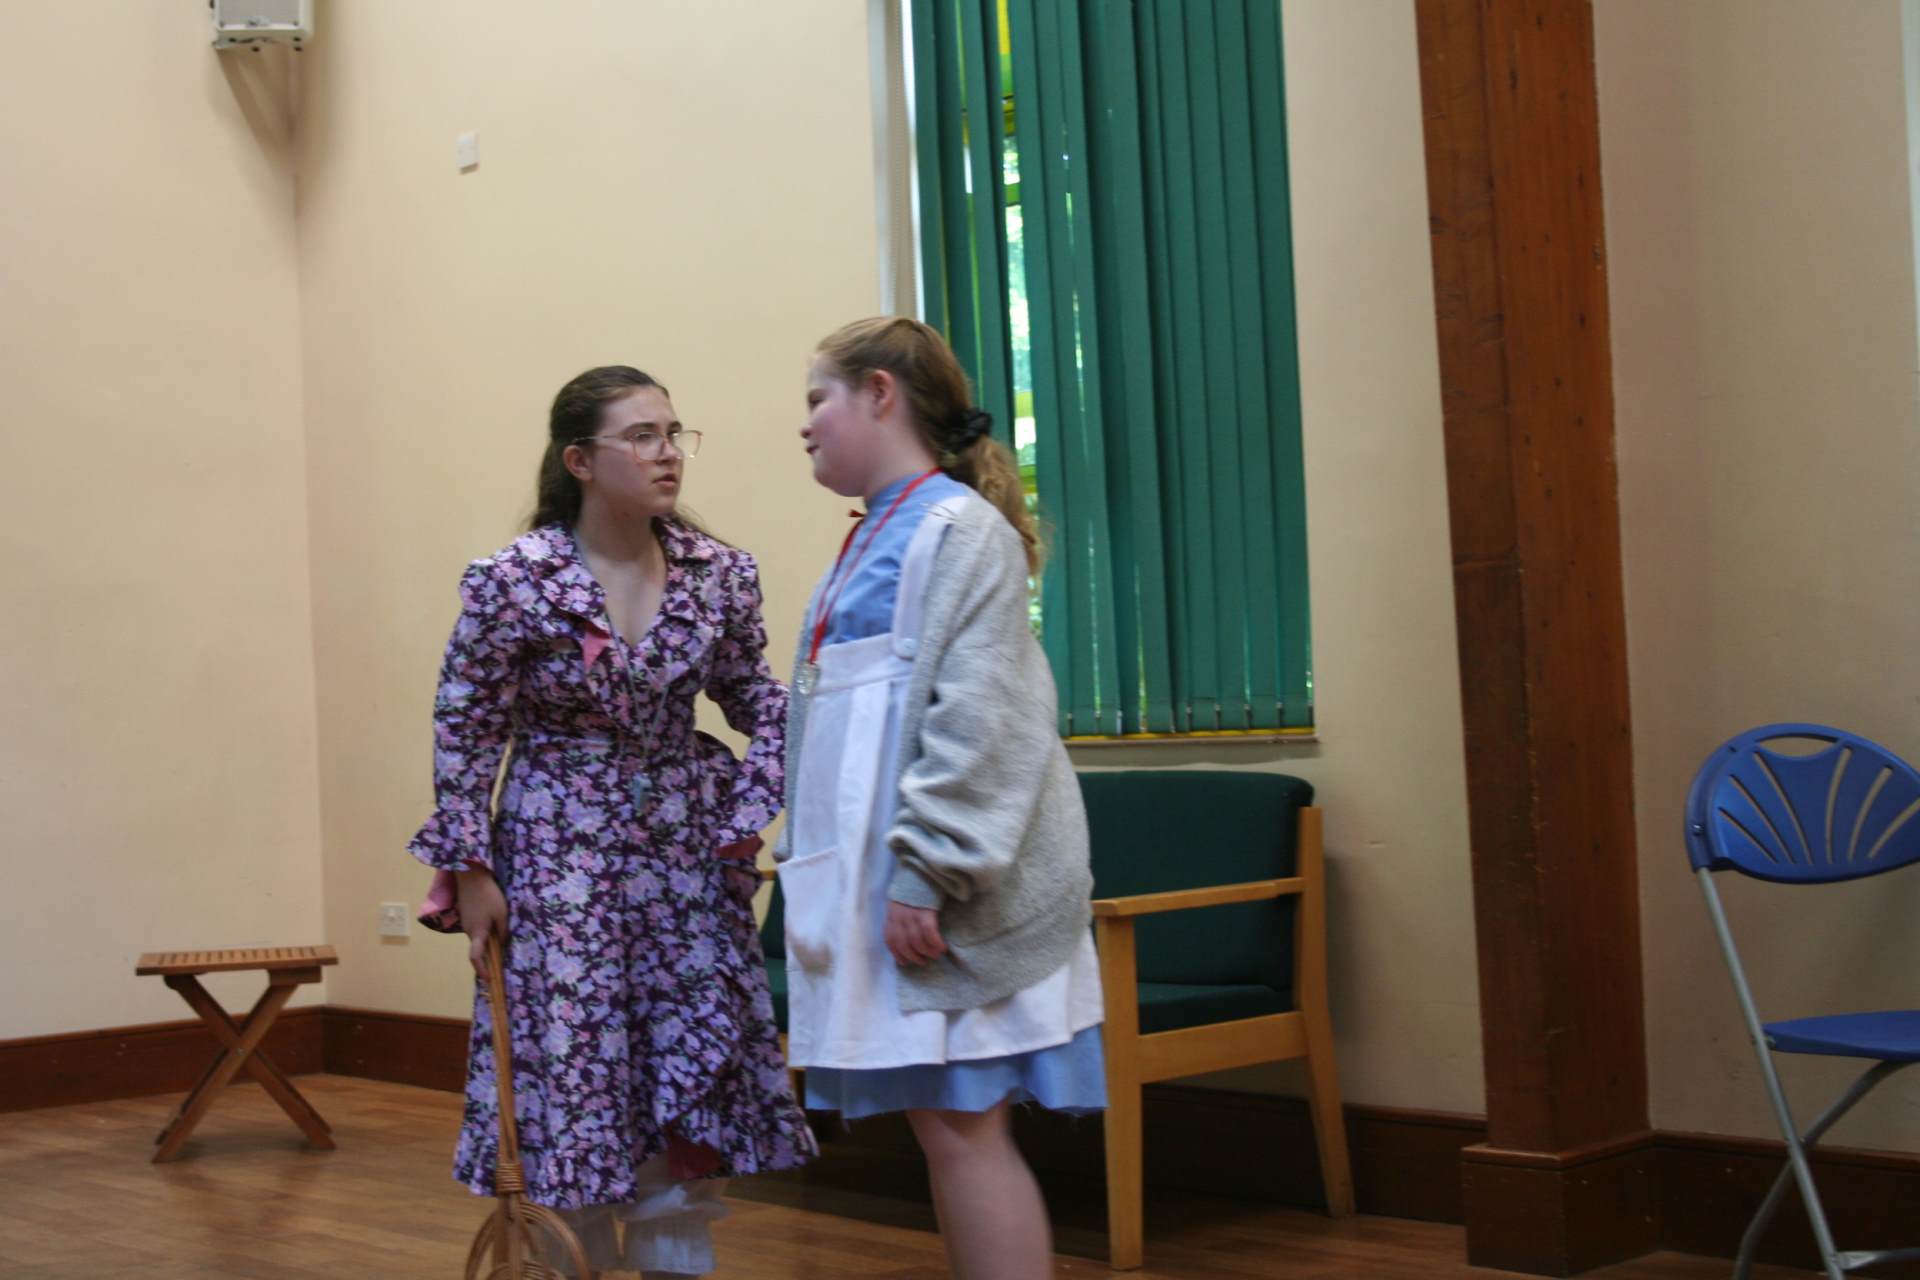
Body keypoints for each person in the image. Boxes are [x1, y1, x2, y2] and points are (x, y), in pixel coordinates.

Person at [408, 365, 813, 1278]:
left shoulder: (719, 574)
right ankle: (573, 1260)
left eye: (673, 433)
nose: (668, 453)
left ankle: (676, 1256)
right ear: (580, 461)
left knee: (688, 1065)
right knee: (573, 1073)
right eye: (642, 436)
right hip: (556, 858)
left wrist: (751, 805)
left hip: (683, 857)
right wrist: (471, 871)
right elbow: (467, 726)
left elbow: (755, 699)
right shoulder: (514, 580)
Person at [778, 317, 1106, 1280]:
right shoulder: (873, 537)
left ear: (880, 393)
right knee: (946, 1129)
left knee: (965, 1128)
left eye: (818, 399)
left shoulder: (960, 532)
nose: (805, 424)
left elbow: (984, 721)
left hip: (940, 891)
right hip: (886, 891)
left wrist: (929, 871)